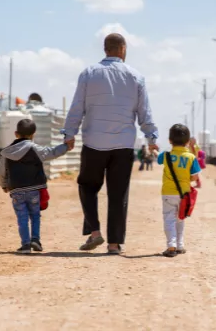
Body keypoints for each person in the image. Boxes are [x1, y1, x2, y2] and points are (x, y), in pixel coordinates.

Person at [62, 33, 159, 254]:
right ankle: (114, 244)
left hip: (94, 143)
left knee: (87, 186)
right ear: (123, 49)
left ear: (105, 49)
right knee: (118, 193)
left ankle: (95, 232)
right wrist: (152, 138)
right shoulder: (136, 77)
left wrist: (69, 133)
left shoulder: (88, 74)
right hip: (123, 145)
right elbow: (145, 113)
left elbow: (78, 106)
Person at [0, 119, 69, 253]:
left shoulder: (7, 152)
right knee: (35, 215)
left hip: (17, 190)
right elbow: (52, 152)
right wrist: (66, 146)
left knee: (22, 217)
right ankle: (35, 240)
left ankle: (25, 245)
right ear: (33, 134)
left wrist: (4, 185)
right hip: (34, 190)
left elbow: (1, 171)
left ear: (16, 134)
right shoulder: (35, 149)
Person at [157, 124, 201, 257]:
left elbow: (158, 159)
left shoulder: (166, 155)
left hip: (168, 193)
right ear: (188, 142)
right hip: (184, 193)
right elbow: (195, 177)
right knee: (180, 219)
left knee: (169, 219)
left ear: (170, 140)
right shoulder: (191, 157)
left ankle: (171, 246)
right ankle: (180, 245)